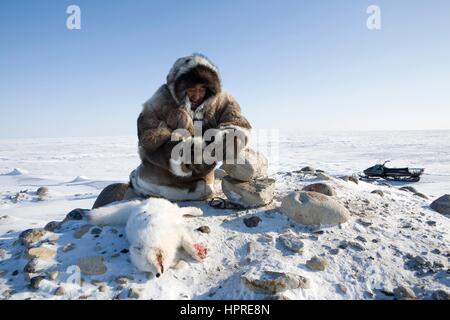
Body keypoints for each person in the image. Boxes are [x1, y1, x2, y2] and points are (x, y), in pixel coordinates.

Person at [92, 53, 252, 208]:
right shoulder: (161, 100)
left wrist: (222, 142)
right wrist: (184, 154)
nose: (197, 95)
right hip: (159, 184)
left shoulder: (221, 100)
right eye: (191, 89)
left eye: (202, 89)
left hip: (196, 187)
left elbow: (237, 124)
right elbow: (148, 138)